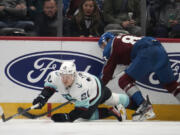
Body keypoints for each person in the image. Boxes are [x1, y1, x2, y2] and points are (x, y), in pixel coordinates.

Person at [98, 32, 180, 121]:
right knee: (171, 85)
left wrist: (98, 87)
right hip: (158, 47)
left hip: (146, 51)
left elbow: (106, 73)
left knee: (124, 81)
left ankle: (145, 107)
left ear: (107, 40)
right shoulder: (123, 39)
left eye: (102, 45)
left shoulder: (110, 45)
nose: (103, 48)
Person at [32, 61, 129, 122]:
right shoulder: (55, 76)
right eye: (63, 76)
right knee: (113, 98)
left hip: (95, 92)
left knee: (85, 116)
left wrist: (68, 117)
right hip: (95, 83)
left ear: (74, 75)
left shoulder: (80, 87)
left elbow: (81, 109)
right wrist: (42, 98)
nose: (64, 80)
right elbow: (49, 89)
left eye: (68, 77)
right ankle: (135, 104)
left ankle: (111, 111)